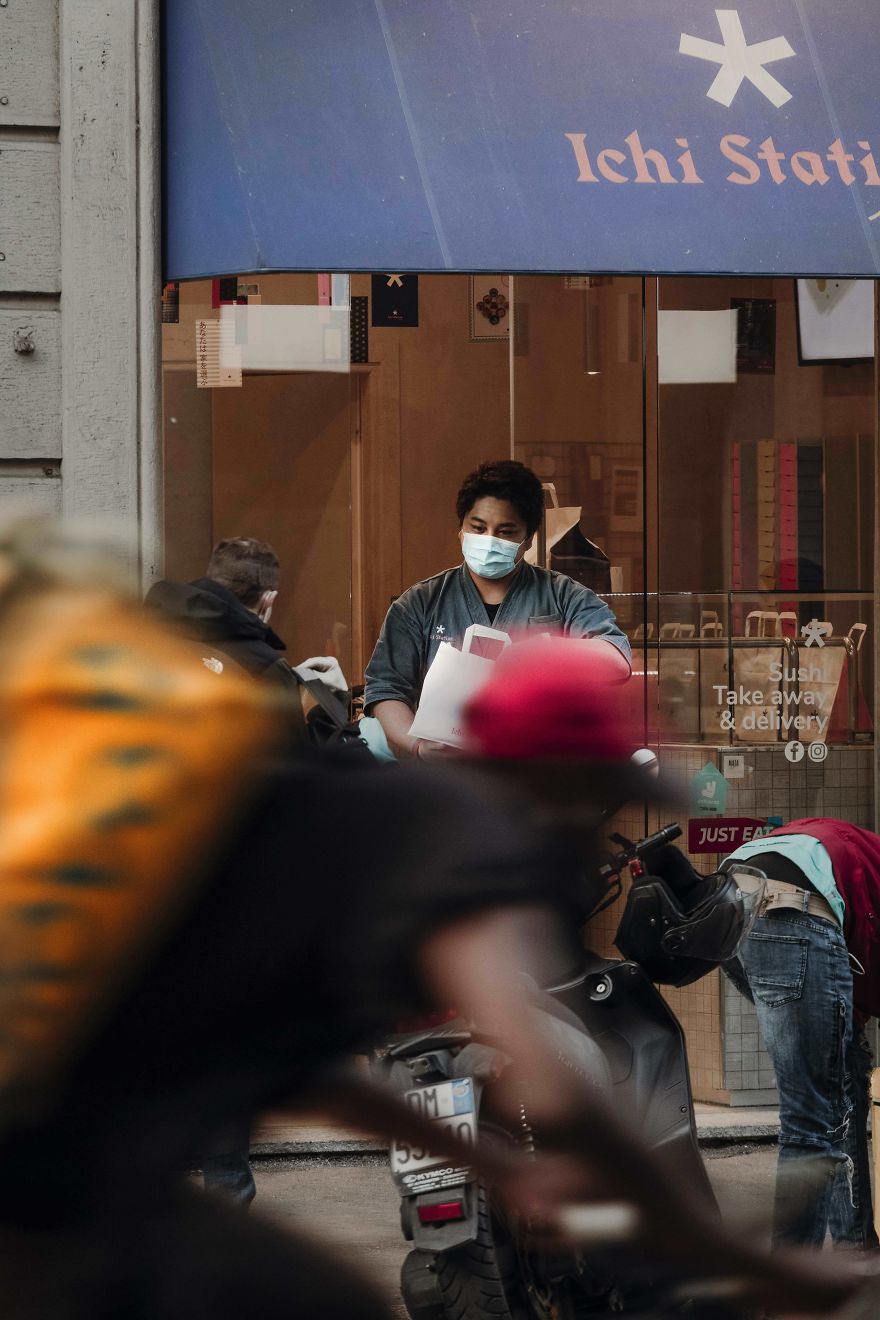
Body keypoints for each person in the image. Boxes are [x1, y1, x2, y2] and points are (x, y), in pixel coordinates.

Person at [364, 459, 632, 759]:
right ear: (461, 530)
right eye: (478, 528)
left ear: (528, 540)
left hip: (535, 772)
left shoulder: (563, 596)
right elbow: (386, 689)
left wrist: (543, 651)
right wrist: (417, 747)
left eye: (505, 532)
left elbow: (617, 658)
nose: (489, 540)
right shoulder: (419, 603)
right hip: (447, 774)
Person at [718, 818, 880, 1251]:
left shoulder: (853, 849)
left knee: (842, 1077)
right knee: (812, 1115)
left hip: (730, 909)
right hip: (795, 914)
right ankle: (792, 1272)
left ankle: (856, 1247)